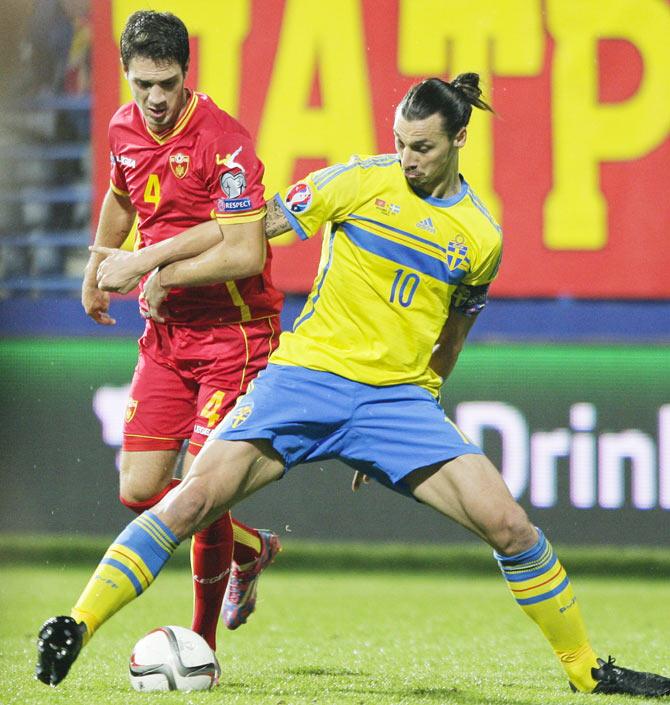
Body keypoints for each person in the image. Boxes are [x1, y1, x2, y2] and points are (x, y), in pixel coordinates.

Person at [36, 74, 670, 697]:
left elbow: (450, 337)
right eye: (399, 142)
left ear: (459, 139)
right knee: (194, 499)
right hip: (304, 379)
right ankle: (78, 624)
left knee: (511, 526)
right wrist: (156, 261)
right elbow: (251, 228)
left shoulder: (481, 238)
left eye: (421, 147)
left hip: (397, 402)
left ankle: (588, 670)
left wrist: (422, 403)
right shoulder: (359, 180)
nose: (406, 158)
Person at [76, 10, 283, 658]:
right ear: (127, 77)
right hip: (168, 338)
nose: (156, 98)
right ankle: (250, 548)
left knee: (200, 483)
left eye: (166, 82)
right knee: (138, 487)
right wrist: (96, 263)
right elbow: (121, 195)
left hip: (233, 335)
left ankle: (201, 645)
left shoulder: (224, 140)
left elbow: (246, 250)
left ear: (185, 73)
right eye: (142, 85)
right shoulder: (120, 128)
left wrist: (152, 264)